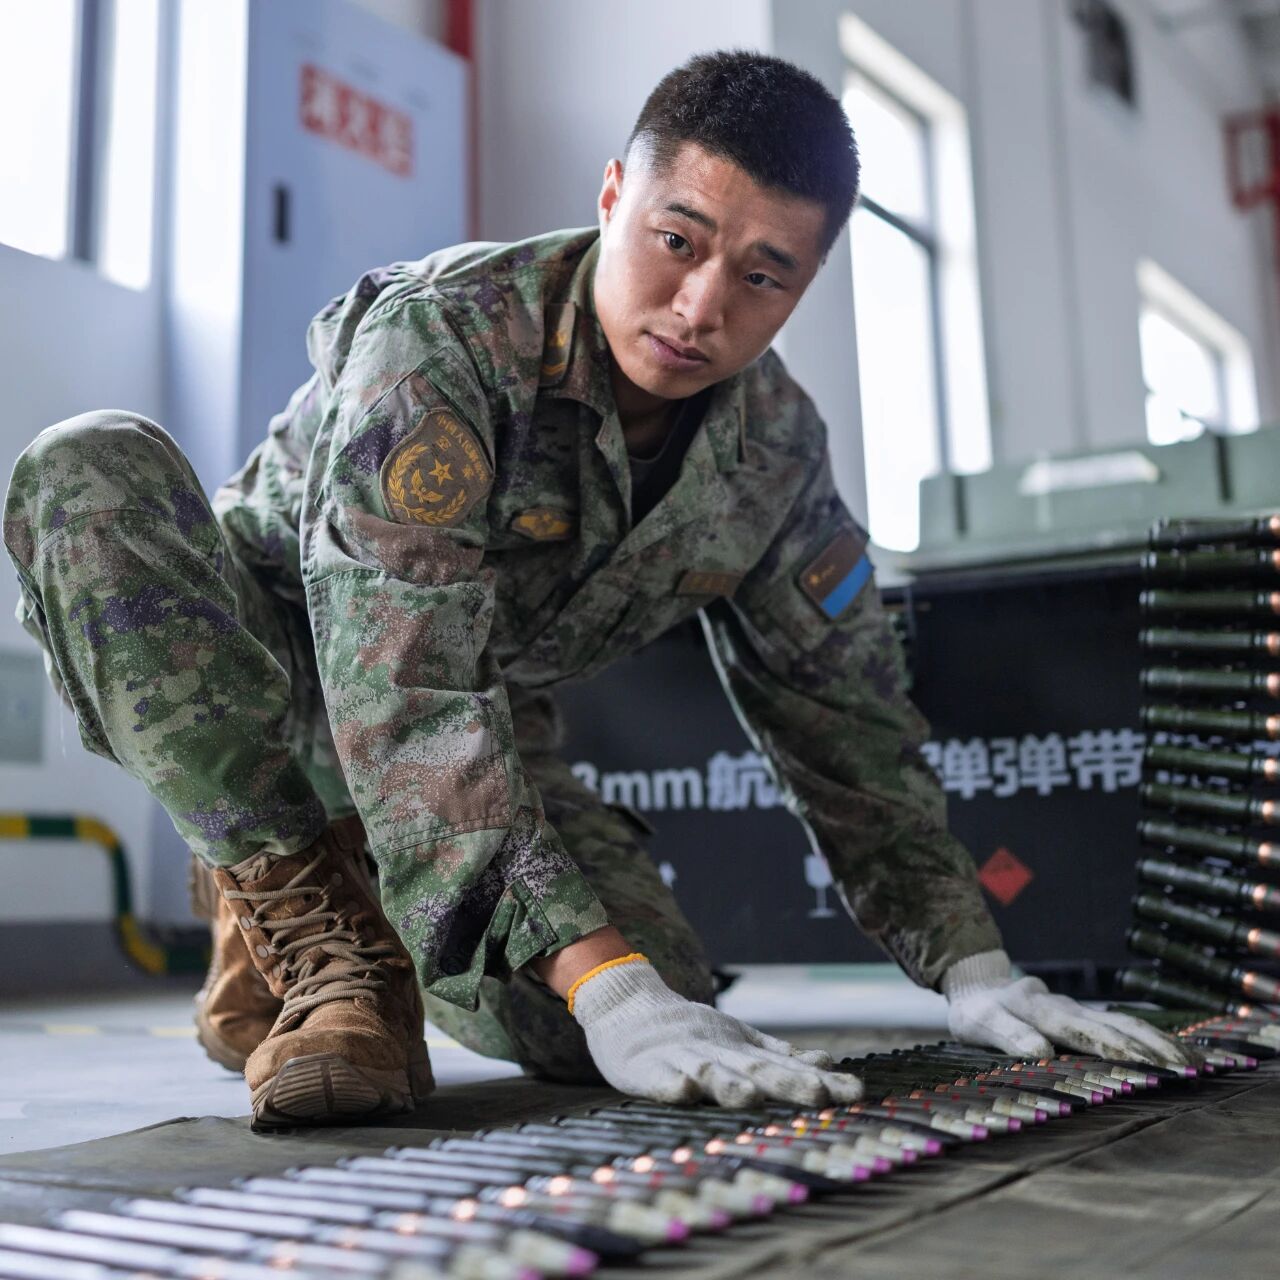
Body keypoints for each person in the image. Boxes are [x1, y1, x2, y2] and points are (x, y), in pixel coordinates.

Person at [3, 51, 1188, 1131]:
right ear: (614, 193)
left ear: (806, 282)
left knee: (646, 1008)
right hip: (278, 682)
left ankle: (356, 899)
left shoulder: (774, 449)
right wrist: (597, 969)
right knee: (86, 467)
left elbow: (849, 721)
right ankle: (304, 916)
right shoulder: (446, 338)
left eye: (762, 275)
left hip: (475, 727)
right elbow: (399, 682)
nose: (701, 306)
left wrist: (973, 970)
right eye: (678, 240)